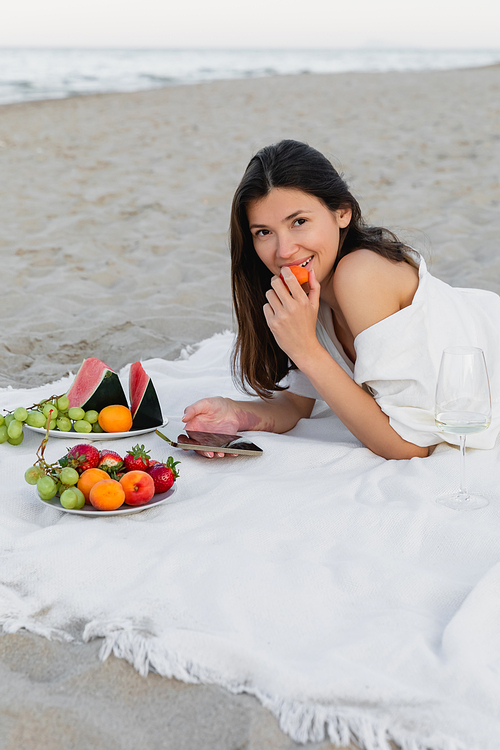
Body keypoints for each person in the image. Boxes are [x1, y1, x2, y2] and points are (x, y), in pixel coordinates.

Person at [182, 140, 500, 460]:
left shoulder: (358, 274)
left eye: (299, 222)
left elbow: (408, 447)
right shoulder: (313, 290)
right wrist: (235, 413)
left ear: (342, 212)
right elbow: (296, 403)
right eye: (264, 232)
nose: (284, 251)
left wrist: (306, 349)